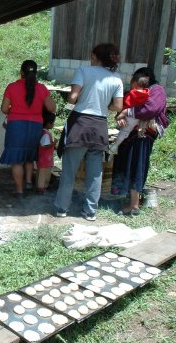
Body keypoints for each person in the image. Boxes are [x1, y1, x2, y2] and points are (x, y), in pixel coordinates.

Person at [54, 43, 124, 221]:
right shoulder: (116, 79)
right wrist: (102, 105)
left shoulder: (83, 71)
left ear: (95, 56)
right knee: (95, 173)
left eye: (91, 56)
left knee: (69, 170)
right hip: (100, 126)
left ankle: (62, 208)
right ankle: (90, 211)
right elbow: (118, 106)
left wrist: (76, 99)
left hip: (80, 123)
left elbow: (73, 97)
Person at [111, 67, 169, 216]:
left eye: (133, 83)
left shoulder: (157, 90)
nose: (132, 87)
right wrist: (122, 117)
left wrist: (127, 112)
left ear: (143, 79)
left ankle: (134, 205)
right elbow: (123, 108)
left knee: (136, 167)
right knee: (127, 165)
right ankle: (128, 199)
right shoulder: (138, 93)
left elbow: (151, 109)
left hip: (142, 136)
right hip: (131, 136)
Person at [0, 60, 56, 198]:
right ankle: (29, 182)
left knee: (17, 160)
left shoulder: (12, 87)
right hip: (35, 126)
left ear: (21, 73)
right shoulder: (42, 88)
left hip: (16, 126)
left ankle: (19, 190)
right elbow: (52, 108)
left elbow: (4, 109)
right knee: (30, 154)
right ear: (35, 73)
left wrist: (16, 109)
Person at [109, 75, 153, 155]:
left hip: (129, 116)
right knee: (130, 131)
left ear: (135, 83)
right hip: (138, 117)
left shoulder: (131, 94)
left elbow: (125, 102)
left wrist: (122, 112)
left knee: (124, 131)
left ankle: (115, 146)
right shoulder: (147, 95)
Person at [36, 110, 57, 194]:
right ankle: (41, 188)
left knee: (43, 173)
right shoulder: (46, 134)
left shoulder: (43, 132)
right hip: (44, 159)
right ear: (48, 123)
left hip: (44, 159)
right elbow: (45, 145)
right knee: (43, 174)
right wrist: (54, 143)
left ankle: (41, 187)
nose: (53, 124)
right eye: (53, 123)